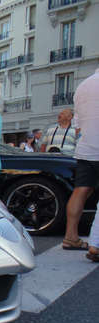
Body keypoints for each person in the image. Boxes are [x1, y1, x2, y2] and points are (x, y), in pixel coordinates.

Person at [62, 67, 99, 252]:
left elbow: (77, 126)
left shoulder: (83, 86)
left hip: (86, 149)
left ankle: (70, 237)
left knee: (80, 190)